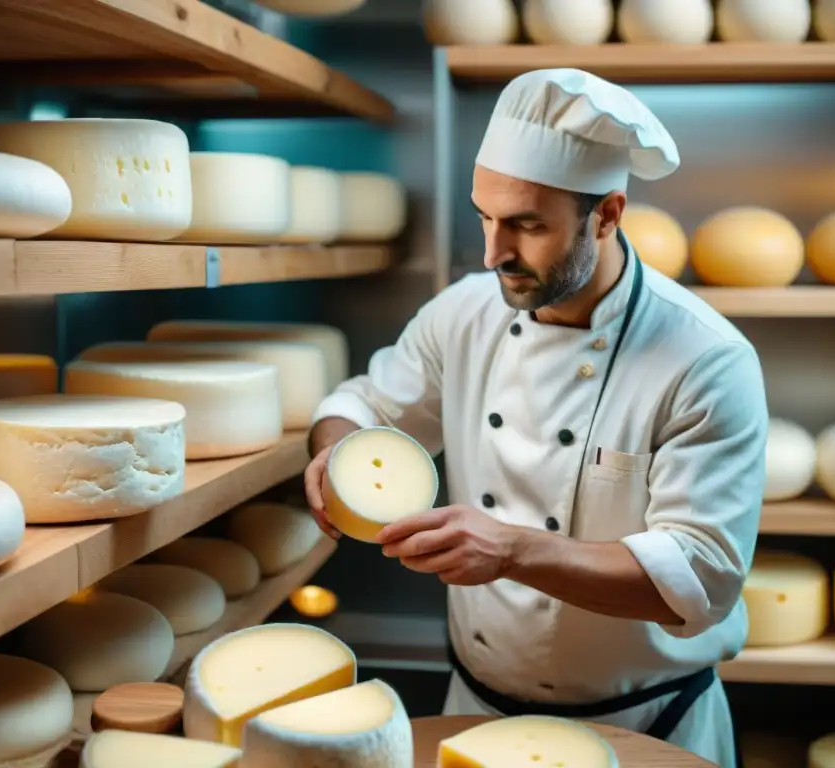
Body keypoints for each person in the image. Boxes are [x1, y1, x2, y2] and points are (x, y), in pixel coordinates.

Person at [304, 68, 768, 768]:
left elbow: (700, 580)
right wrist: (333, 457)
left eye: (526, 224)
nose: (493, 254)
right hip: (476, 718)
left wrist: (512, 551)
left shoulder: (705, 359)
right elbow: (364, 406)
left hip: (646, 726)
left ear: (607, 215)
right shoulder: (461, 313)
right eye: (485, 217)